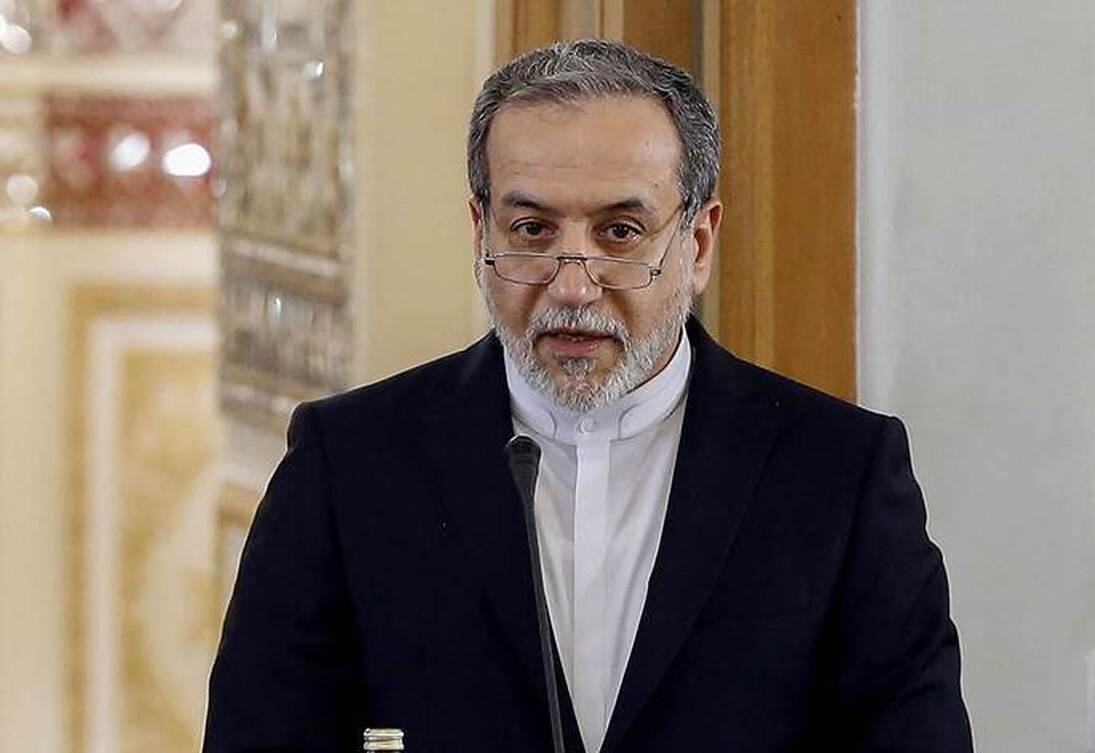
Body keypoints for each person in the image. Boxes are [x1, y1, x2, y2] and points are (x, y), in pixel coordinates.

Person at [204, 39, 973, 753]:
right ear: (480, 233)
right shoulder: (350, 465)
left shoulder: (839, 474)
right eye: (532, 231)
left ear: (698, 243)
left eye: (620, 233)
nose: (572, 287)